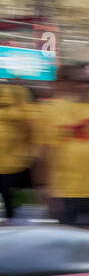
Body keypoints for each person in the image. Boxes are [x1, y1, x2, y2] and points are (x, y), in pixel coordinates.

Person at [33, 63, 89, 235]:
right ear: (65, 83)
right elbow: (44, 153)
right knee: (68, 241)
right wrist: (44, 188)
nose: (86, 86)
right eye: (80, 81)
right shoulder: (50, 111)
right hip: (67, 191)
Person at [0, 78, 34, 223]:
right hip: (17, 166)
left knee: (15, 204)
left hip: (15, 166)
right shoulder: (23, 110)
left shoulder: (21, 111)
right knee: (17, 207)